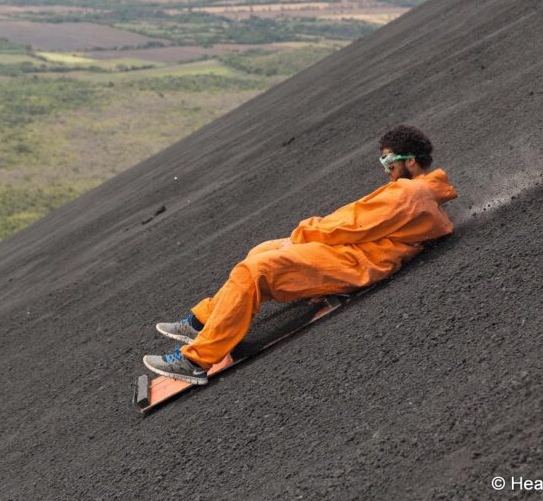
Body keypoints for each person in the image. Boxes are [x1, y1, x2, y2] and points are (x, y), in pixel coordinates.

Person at [143, 125, 459, 384]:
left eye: (389, 162)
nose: (387, 170)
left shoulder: (408, 193)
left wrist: (300, 235)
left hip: (356, 262)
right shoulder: (424, 192)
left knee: (256, 270)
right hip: (359, 253)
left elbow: (348, 225)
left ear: (411, 161)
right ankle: (205, 320)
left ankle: (195, 360)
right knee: (262, 250)